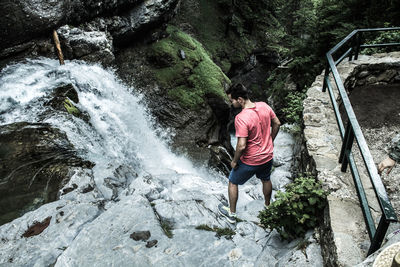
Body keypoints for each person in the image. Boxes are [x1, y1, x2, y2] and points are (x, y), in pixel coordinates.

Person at [218, 83, 281, 223]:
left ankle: (232, 215)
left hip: (250, 160)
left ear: (240, 99)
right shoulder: (264, 106)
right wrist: (270, 140)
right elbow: (277, 123)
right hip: (267, 156)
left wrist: (234, 161)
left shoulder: (241, 118)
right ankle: (268, 207)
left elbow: (241, 146)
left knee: (233, 182)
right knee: (266, 179)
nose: (231, 103)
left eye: (232, 100)